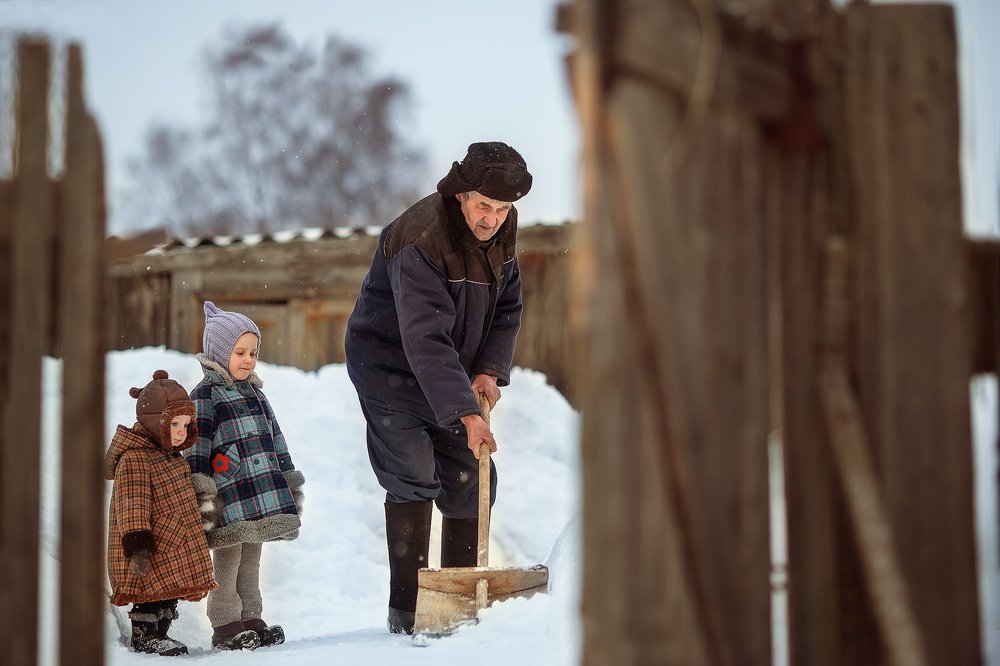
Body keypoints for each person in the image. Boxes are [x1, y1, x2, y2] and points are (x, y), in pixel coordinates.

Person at [344, 141, 532, 634]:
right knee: (412, 474)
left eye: (504, 209)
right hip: (391, 368)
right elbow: (423, 337)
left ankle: (455, 608)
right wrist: (466, 413)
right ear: (461, 195)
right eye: (484, 206)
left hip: (450, 369)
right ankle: (408, 613)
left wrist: (489, 369)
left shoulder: (501, 233)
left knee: (470, 479)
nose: (493, 219)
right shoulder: (422, 237)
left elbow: (508, 309)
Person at [185, 301, 305, 651]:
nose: (248, 359)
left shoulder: (256, 394)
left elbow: (275, 437)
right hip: (228, 492)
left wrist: (286, 475)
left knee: (252, 555)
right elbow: (197, 445)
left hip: (259, 491)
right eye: (240, 352)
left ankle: (251, 617)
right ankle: (225, 623)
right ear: (220, 353)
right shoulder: (204, 396)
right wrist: (201, 489)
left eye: (253, 352)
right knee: (229, 555)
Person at [105, 369, 217, 657]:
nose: (182, 432)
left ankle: (162, 633)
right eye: (175, 424)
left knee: (167, 594)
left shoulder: (171, 457)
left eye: (186, 425)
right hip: (149, 545)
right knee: (149, 596)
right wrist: (138, 543)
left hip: (172, 542)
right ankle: (144, 636)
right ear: (155, 424)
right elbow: (132, 503)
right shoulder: (135, 458)